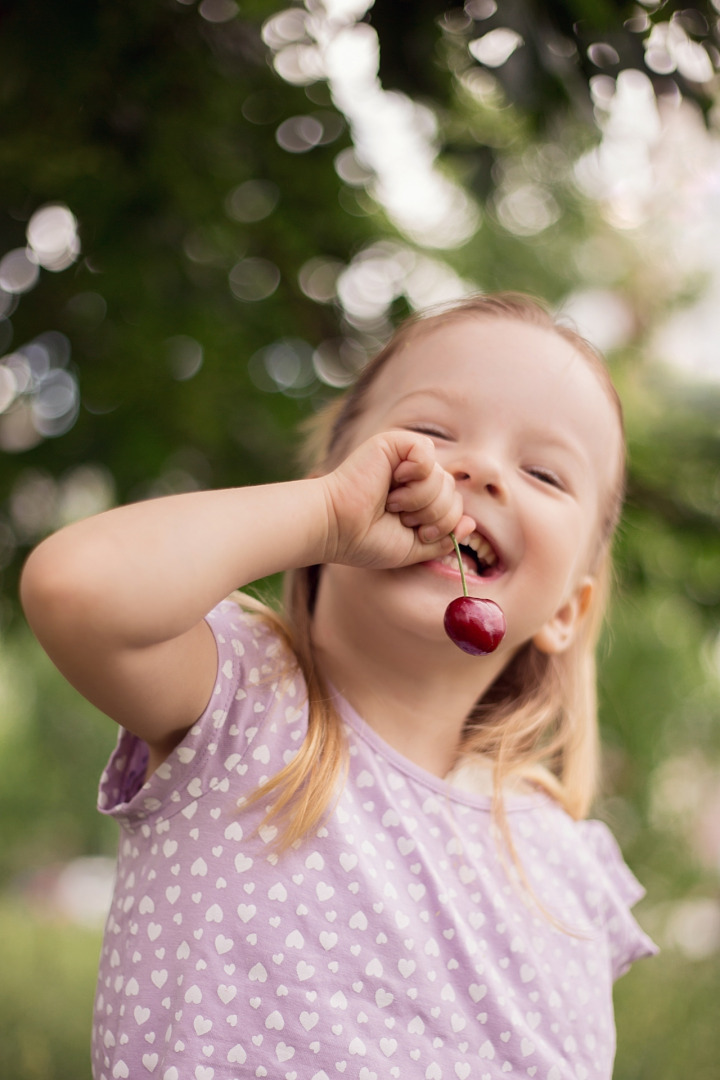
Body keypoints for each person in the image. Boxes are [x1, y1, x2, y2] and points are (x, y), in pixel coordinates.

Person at [21, 292, 656, 1080]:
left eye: (543, 471)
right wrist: (321, 514)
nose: (480, 468)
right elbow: (75, 588)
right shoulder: (241, 703)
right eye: (428, 433)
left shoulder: (566, 869)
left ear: (569, 608)